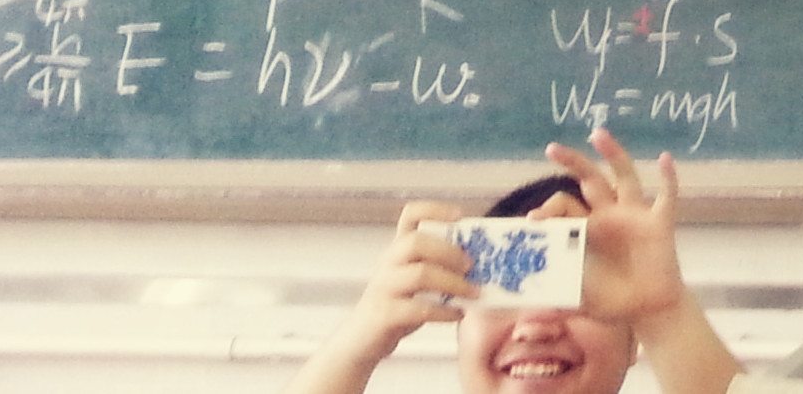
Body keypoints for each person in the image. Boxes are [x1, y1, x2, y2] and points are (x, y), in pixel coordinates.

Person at [291, 127, 757, 394]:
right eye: (506, 287)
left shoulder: (656, 318)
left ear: (635, 339)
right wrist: (356, 344)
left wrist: (665, 313)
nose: (535, 327)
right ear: (459, 326)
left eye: (573, 291)